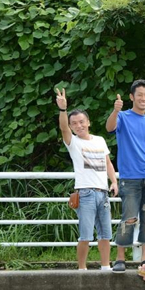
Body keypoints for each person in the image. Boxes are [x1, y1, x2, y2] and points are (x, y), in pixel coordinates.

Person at [56, 88, 118, 271]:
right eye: (74, 123)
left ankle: (105, 267)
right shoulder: (73, 142)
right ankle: (82, 270)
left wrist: (114, 181)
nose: (79, 125)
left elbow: (108, 163)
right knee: (85, 235)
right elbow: (63, 128)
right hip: (85, 193)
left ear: (88, 122)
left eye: (82, 121)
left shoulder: (100, 140)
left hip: (103, 192)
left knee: (106, 234)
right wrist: (63, 109)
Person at [105, 80, 145, 273]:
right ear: (132, 97)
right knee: (128, 217)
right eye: (140, 95)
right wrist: (116, 110)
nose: (143, 98)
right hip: (130, 178)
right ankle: (120, 258)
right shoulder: (122, 117)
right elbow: (109, 128)